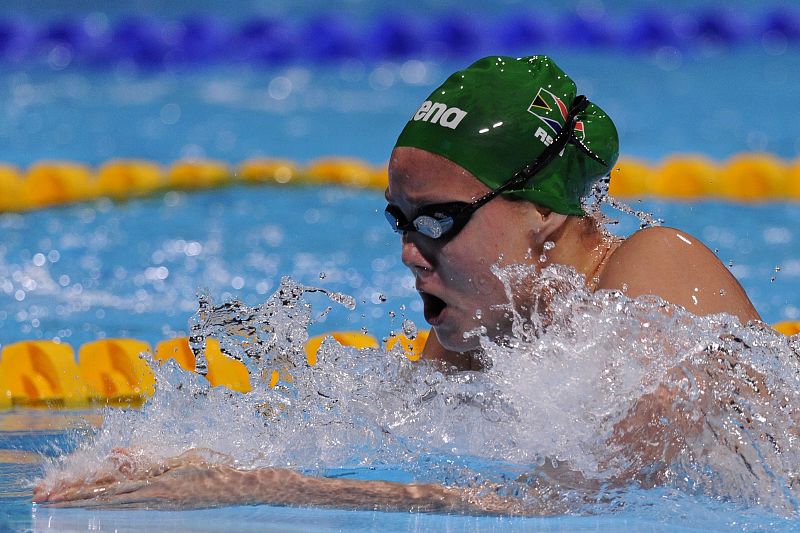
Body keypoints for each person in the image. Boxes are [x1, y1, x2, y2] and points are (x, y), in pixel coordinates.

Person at [33, 55, 762, 512]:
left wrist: (265, 490)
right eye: (401, 221)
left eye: (438, 221)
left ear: (542, 213)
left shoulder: (657, 270)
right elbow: (367, 437)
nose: (411, 254)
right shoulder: (486, 332)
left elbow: (573, 503)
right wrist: (198, 460)